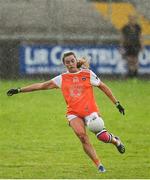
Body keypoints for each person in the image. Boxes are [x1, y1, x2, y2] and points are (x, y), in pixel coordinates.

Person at [7, 51, 125, 173]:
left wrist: (117, 103)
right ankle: (99, 165)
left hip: (90, 112)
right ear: (64, 64)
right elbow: (41, 86)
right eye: (67, 62)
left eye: (72, 61)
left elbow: (103, 86)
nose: (70, 64)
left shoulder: (87, 74)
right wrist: (19, 90)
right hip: (73, 113)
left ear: (76, 61)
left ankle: (116, 141)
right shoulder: (62, 78)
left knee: (102, 137)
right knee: (83, 137)